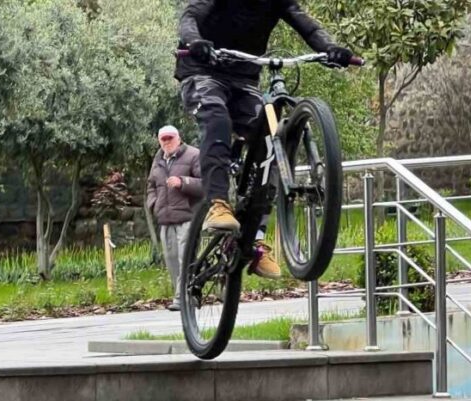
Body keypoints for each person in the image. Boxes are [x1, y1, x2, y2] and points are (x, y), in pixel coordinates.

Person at [176, 0, 353, 279]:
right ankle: (218, 204)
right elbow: (190, 15)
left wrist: (329, 47)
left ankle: (256, 237)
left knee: (272, 135)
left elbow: (305, 24)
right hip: (202, 71)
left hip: (245, 80)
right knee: (216, 118)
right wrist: (195, 41)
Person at [146, 125, 203, 311]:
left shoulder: (194, 155)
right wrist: (153, 204)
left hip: (188, 217)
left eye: (170, 138)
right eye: (163, 139)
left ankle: (181, 299)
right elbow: (151, 186)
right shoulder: (158, 160)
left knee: (185, 258)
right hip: (165, 219)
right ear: (159, 141)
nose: (167, 142)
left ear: (179, 138)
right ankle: (189, 295)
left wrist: (183, 182)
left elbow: (206, 184)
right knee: (171, 259)